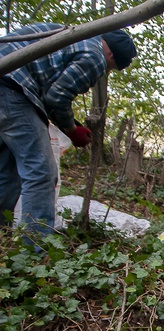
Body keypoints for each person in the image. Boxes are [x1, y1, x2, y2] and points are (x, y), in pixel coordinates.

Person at [0, 23, 137, 241]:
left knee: (7, 173)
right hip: (12, 89)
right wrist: (72, 130)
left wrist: (71, 122)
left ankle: (3, 235)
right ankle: (36, 249)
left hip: (7, 81)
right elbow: (56, 98)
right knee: (41, 171)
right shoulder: (95, 55)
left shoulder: (71, 35)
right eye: (110, 67)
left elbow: (50, 92)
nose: (105, 71)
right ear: (110, 53)